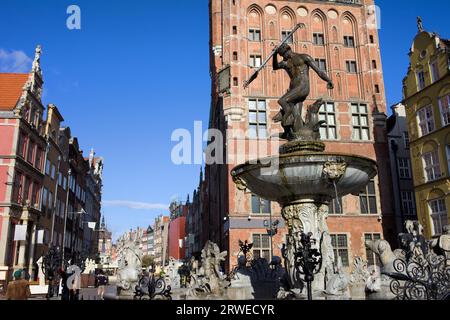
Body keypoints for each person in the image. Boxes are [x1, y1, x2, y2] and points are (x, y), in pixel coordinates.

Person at [272, 43, 334, 139]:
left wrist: (328, 80)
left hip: (302, 87)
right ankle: (298, 134)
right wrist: (274, 55)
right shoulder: (286, 63)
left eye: (283, 55)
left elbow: (319, 71)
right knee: (296, 116)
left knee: (282, 101)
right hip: (293, 90)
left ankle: (286, 116)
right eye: (281, 56)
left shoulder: (304, 57)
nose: (283, 57)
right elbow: (275, 66)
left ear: (287, 51)